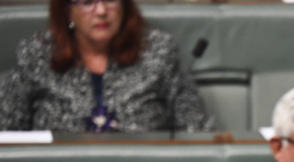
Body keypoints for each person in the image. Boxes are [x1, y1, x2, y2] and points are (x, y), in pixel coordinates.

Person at [0, 0, 212, 132]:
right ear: (67, 11)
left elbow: (197, 132)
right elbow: (5, 137)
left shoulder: (159, 51)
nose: (101, 10)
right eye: (87, 1)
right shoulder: (36, 56)